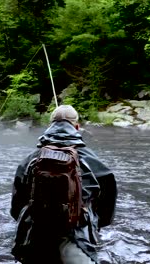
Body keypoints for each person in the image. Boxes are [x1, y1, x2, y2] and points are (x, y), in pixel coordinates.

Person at [10, 105, 117, 264]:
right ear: (77, 127)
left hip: (35, 238)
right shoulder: (91, 160)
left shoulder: (31, 159)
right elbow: (107, 202)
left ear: (49, 126)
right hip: (75, 239)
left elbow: (16, 208)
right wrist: (94, 225)